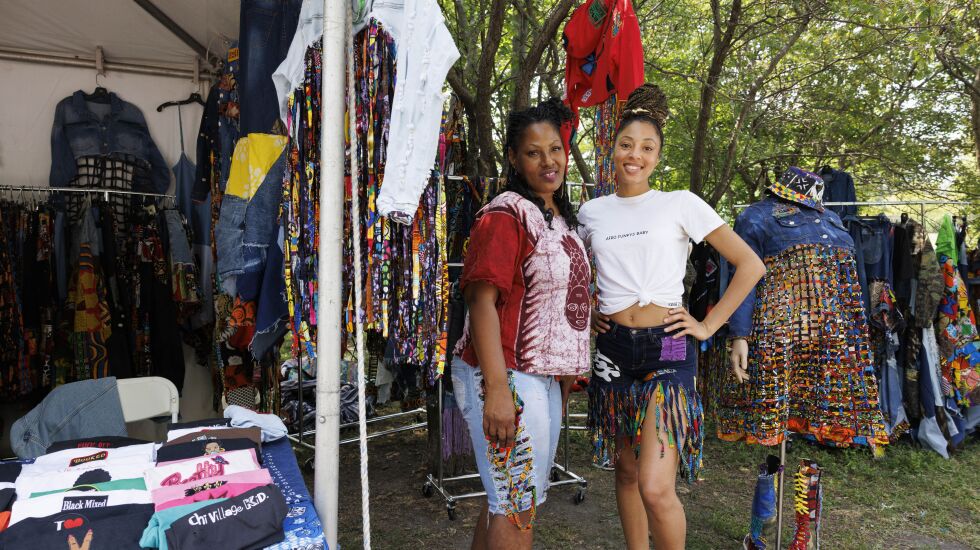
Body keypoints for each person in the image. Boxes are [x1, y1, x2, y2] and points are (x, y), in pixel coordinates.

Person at [577, 83, 767, 550]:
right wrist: (589, 312)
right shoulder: (591, 212)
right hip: (613, 349)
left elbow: (750, 265)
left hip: (669, 346)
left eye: (647, 147)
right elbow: (571, 273)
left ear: (658, 157)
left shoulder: (680, 203)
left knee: (655, 486)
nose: (635, 155)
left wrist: (708, 326)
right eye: (627, 144)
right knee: (625, 472)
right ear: (612, 149)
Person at [450, 98, 591, 550]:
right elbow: (481, 300)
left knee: (510, 501)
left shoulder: (563, 220)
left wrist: (561, 387)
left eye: (555, 149)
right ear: (513, 158)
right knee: (518, 506)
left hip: (542, 378)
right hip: (505, 373)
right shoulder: (505, 213)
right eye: (533, 152)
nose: (548, 161)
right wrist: (496, 390)